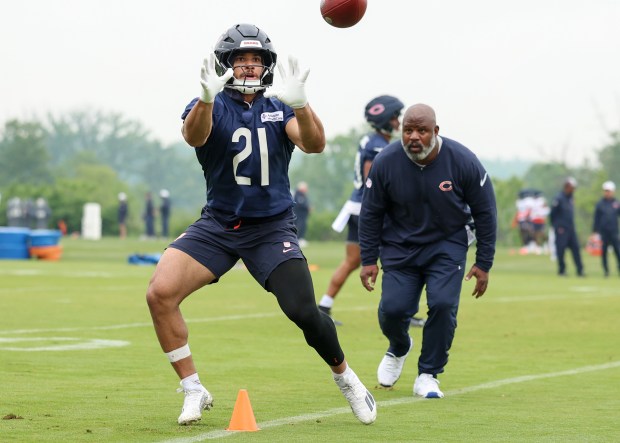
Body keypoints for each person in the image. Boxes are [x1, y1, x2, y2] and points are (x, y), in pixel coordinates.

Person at [145, 23, 375, 426]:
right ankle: (193, 388)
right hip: (218, 224)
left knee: (303, 310)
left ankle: (346, 378)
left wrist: (301, 104)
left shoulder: (281, 104)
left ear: (266, 65)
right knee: (160, 292)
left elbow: (315, 144)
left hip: (269, 227)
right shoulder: (209, 103)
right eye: (240, 59)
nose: (249, 67)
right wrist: (204, 98)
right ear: (226, 64)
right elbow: (194, 137)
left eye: (256, 60)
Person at [358, 103, 497, 398]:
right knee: (393, 310)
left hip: (446, 246)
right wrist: (368, 258)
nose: (414, 137)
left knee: (444, 305)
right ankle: (399, 346)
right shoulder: (386, 161)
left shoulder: (463, 160)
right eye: (408, 130)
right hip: (399, 247)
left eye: (422, 130)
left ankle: (428, 374)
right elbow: (370, 212)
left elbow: (486, 212)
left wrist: (483, 262)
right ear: (401, 131)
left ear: (435, 131)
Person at [319, 95, 424, 328]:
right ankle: (402, 311)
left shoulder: (372, 140)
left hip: (357, 207)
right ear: (386, 119)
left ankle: (324, 306)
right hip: (371, 210)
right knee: (399, 258)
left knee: (351, 261)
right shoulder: (378, 144)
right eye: (396, 117)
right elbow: (372, 180)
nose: (398, 122)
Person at [550, 177, 585, 277]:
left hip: (570, 229)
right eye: (572, 187)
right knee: (561, 250)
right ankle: (562, 270)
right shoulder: (559, 198)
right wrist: (557, 227)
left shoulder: (571, 198)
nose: (573, 189)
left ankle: (580, 270)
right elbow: (552, 215)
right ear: (567, 187)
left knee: (576, 250)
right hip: (561, 229)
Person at [592, 181, 620, 277]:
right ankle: (606, 271)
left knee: (618, 251)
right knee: (604, 253)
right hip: (603, 232)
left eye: (609, 191)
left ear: (612, 191)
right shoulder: (600, 204)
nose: (607, 193)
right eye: (605, 191)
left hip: (614, 231)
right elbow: (596, 218)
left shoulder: (616, 203)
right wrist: (595, 231)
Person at [292, 181, 310, 247]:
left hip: (302, 215)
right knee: (299, 227)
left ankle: (300, 239)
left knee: (302, 227)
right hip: (298, 215)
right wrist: (307, 207)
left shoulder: (302, 194)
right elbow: (300, 203)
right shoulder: (298, 194)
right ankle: (298, 239)